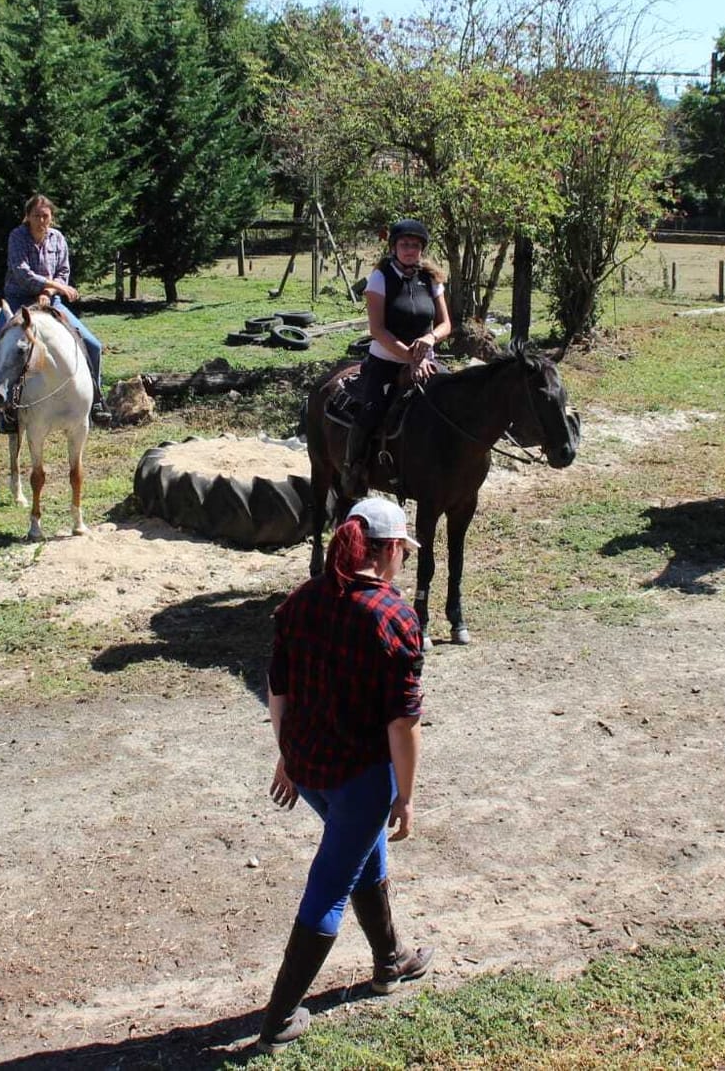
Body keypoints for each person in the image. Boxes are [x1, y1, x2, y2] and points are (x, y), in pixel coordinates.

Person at [256, 496, 433, 1049]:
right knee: (329, 886)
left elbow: (278, 689)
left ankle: (390, 960)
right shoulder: (393, 616)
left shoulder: (301, 601)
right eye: (404, 549)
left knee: (360, 850)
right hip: (359, 778)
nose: (404, 559)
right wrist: (404, 797)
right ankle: (279, 1019)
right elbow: (402, 725)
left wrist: (288, 753)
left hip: (308, 769)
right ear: (387, 551)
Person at [343, 220, 453, 494]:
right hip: (386, 361)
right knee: (370, 412)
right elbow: (377, 329)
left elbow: (445, 325)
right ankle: (353, 468)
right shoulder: (380, 278)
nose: (410, 250)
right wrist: (409, 357)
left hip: (425, 360)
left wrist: (430, 339)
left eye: (415, 245)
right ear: (393, 247)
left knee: (453, 402)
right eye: (404, 244)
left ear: (421, 249)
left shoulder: (431, 279)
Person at [0, 194, 107, 426]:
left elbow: (63, 270)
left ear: (51, 217)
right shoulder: (17, 236)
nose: (41, 221)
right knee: (0, 342)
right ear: (28, 216)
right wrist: (56, 286)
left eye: (45, 216)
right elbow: (21, 272)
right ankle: (2, 407)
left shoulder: (58, 239)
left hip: (50, 301)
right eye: (36, 216)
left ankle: (96, 399)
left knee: (92, 345)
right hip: (19, 300)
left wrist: (49, 293)